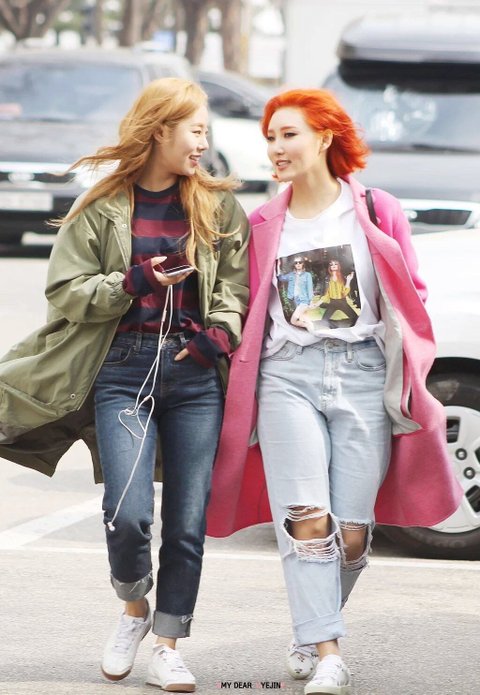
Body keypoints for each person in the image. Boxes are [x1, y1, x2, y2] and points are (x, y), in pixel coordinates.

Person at [205, 89, 461, 695]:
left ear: (324, 137)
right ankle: (328, 652)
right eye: (270, 137)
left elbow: (410, 291)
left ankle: (309, 630)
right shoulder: (262, 224)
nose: (276, 147)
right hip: (286, 376)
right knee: (306, 520)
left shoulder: (376, 209)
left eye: (288, 134)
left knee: (351, 533)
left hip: (364, 375)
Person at [0, 77, 249, 691]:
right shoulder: (102, 206)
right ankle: (134, 607)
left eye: (206, 132)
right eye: (195, 130)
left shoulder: (219, 207)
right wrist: (135, 280)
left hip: (195, 375)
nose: (203, 143)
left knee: (186, 523)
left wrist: (218, 335)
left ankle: (168, 644)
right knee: (128, 513)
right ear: (160, 130)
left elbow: (235, 287)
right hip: (122, 370)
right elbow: (65, 291)